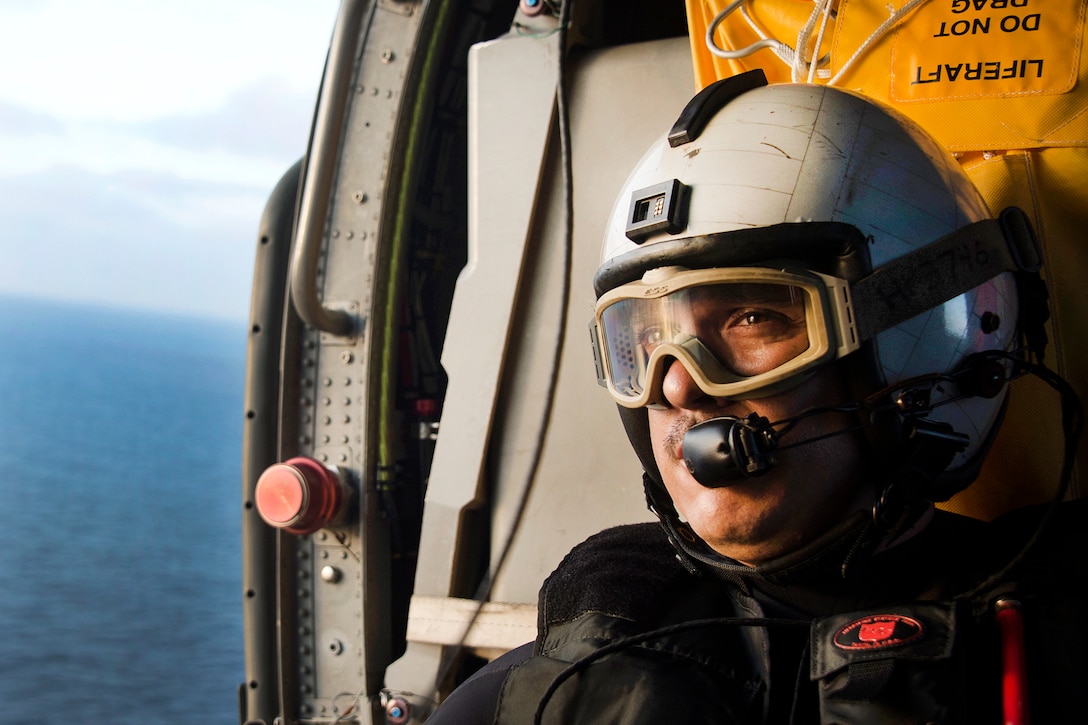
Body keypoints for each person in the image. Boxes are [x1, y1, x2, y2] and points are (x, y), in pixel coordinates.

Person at [428, 72, 1086, 724]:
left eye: (750, 318)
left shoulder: (1054, 641)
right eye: (647, 338)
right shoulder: (552, 691)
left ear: (924, 345)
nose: (679, 383)